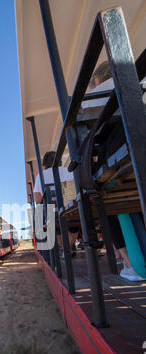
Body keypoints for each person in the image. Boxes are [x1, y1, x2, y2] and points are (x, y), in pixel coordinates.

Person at [86, 61, 145, 281]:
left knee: (105, 204)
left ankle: (131, 264)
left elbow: (91, 137)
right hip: (139, 150)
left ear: (98, 79)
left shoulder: (97, 94)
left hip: (122, 156)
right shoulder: (138, 81)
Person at [33, 151, 78, 255]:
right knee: (75, 226)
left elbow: (37, 199)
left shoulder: (41, 176)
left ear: (44, 164)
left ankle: (65, 249)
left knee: (54, 224)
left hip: (53, 214)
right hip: (72, 211)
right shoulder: (69, 170)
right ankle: (69, 247)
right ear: (59, 161)